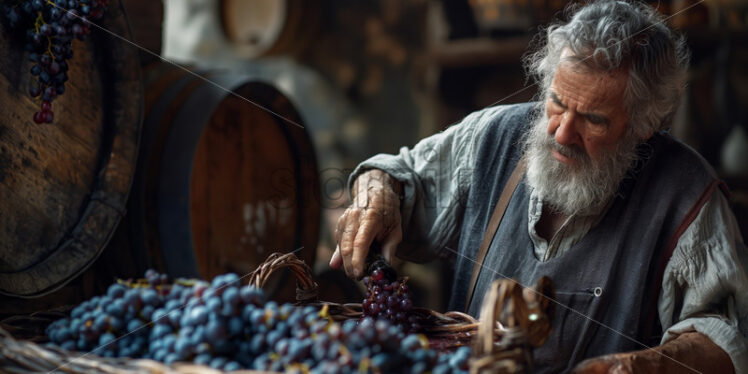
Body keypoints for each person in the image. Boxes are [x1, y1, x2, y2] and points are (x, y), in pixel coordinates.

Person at [329, 1, 748, 373]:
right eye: (557, 102)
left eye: (594, 120)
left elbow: (726, 336)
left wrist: (633, 367)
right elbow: (400, 174)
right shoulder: (493, 136)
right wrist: (377, 193)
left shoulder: (687, 194)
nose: (562, 133)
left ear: (644, 125)